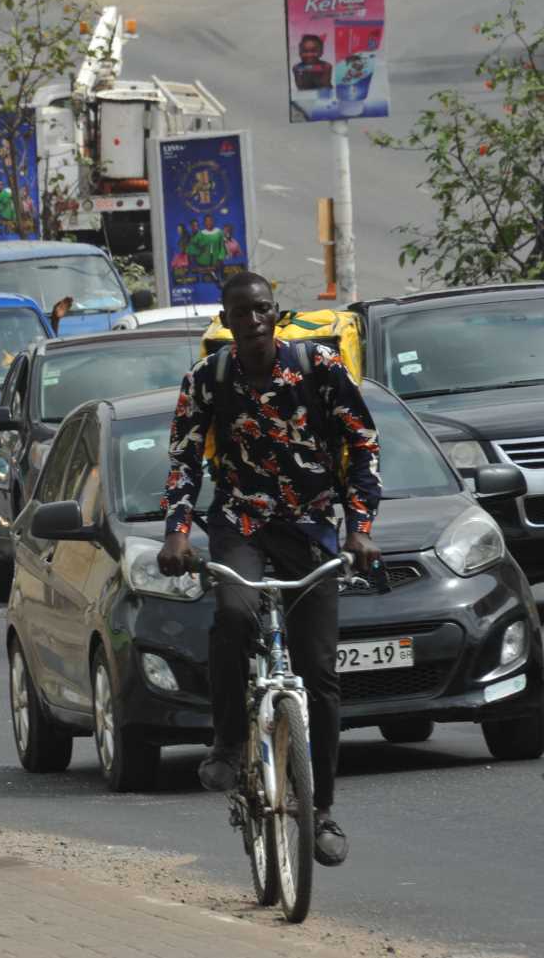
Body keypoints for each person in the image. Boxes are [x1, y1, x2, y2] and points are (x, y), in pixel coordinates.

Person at [156, 271, 382, 869]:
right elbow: (183, 457)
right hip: (240, 523)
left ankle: (323, 810)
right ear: (226, 321)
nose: (252, 321)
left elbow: (362, 445)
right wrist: (178, 532)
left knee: (321, 672)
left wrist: (359, 525)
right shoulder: (210, 379)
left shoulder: (320, 369)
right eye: (240, 313)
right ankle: (229, 742)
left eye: (261, 310)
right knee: (232, 615)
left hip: (310, 526)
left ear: (275, 314)